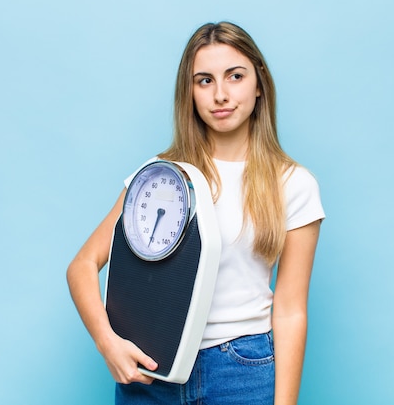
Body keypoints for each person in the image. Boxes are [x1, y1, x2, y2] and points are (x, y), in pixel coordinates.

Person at [67, 21, 325, 405]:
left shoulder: (294, 183)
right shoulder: (160, 176)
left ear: (259, 83)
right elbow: (83, 265)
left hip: (242, 372)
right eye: (204, 81)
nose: (220, 94)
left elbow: (290, 311)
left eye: (234, 76)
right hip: (152, 369)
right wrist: (109, 345)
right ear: (188, 93)